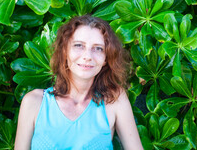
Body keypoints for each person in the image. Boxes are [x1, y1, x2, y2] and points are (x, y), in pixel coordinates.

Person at [14, 15, 143, 150]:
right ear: (64, 51)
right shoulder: (33, 102)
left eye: (98, 48)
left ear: (106, 58)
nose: (87, 56)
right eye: (79, 45)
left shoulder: (114, 100)